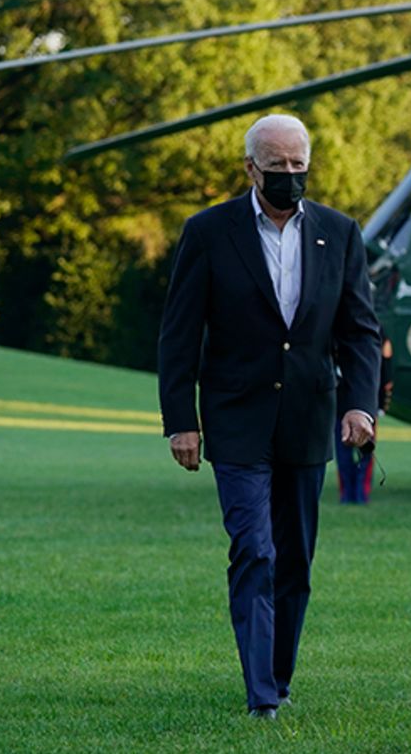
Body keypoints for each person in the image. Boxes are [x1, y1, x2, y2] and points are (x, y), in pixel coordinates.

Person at [158, 113, 381, 719]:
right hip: (235, 420)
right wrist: (181, 418)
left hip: (309, 420)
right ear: (250, 168)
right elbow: (180, 333)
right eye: (276, 164)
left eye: (298, 164)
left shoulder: (340, 233)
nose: (289, 174)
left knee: (296, 560)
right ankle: (261, 696)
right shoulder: (209, 231)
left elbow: (360, 331)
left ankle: (278, 677)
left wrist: (361, 403)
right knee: (254, 548)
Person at [335, 329, 394, 504]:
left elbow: (384, 370)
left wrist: (381, 403)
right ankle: (349, 492)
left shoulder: (378, 332)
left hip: (365, 406)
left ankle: (360, 492)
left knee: (364, 450)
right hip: (342, 401)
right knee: (344, 452)